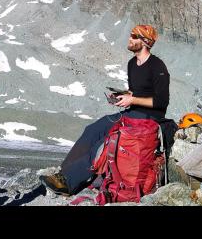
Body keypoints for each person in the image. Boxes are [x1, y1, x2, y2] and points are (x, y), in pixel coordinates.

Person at [40, 24, 170, 196]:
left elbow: (162, 101)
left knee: (104, 143)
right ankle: (64, 173)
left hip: (149, 118)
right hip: (131, 114)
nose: (129, 39)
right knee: (92, 130)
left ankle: (69, 183)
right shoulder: (132, 63)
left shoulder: (157, 66)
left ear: (145, 42)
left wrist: (132, 99)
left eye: (134, 36)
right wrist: (124, 96)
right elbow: (138, 92)